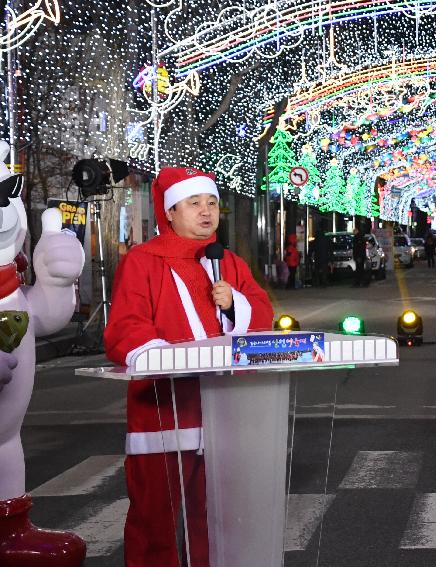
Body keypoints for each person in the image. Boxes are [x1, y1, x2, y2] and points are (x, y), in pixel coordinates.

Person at [103, 167, 274, 567]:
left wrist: (235, 306)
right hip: (164, 411)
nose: (206, 211)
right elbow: (125, 328)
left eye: (212, 203)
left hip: (225, 410)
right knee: (154, 518)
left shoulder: (228, 262)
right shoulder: (143, 261)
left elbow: (262, 313)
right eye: (194, 203)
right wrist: (167, 357)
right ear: (170, 212)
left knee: (217, 516)